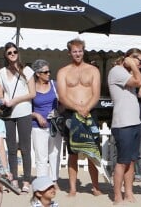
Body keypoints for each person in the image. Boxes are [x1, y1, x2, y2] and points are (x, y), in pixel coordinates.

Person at [56, 38, 102, 197]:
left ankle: (95, 187)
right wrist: (78, 108)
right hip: (71, 113)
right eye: (75, 51)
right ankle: (73, 188)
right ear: (69, 52)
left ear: (84, 51)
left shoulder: (93, 70)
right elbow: (62, 96)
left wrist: (86, 108)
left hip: (90, 113)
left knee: (92, 151)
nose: (78, 54)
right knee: (73, 152)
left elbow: (96, 94)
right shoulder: (63, 71)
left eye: (80, 50)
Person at [0, 42, 36, 193]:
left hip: (24, 111)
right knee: (11, 148)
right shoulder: (1, 72)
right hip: (8, 114)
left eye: (15, 52)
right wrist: (3, 101)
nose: (13, 54)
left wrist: (15, 100)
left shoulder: (27, 70)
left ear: (18, 53)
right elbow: (0, 93)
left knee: (25, 148)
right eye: (9, 53)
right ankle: (12, 179)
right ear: (6, 55)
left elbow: (33, 93)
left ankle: (26, 180)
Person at [108, 48, 141, 204]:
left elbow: (140, 85)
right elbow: (139, 82)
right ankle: (117, 195)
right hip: (123, 124)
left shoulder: (127, 73)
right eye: (140, 61)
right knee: (122, 162)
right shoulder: (117, 71)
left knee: (132, 161)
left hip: (134, 122)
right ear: (129, 58)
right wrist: (133, 66)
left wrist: (134, 67)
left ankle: (128, 193)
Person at [31, 59, 62, 188]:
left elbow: (64, 103)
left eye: (49, 71)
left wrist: (58, 111)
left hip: (54, 125)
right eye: (46, 72)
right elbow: (25, 109)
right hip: (37, 126)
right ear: (38, 73)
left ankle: (54, 180)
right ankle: (42, 182)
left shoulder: (55, 85)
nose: (49, 74)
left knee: (54, 153)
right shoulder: (31, 87)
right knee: (41, 156)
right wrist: (37, 115)